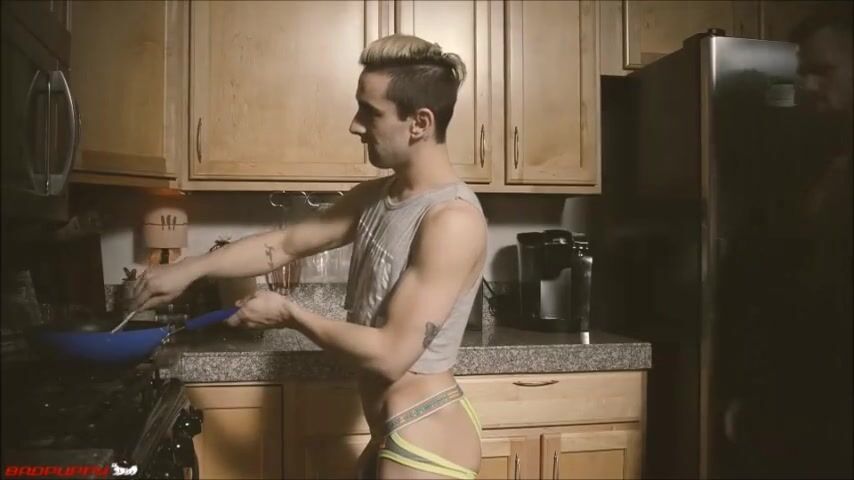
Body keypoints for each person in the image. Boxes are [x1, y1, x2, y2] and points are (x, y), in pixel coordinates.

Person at [131, 34, 487, 480]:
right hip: (393, 431)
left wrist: (290, 314)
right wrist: (190, 269)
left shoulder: (451, 220)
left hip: (427, 439)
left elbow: (392, 354)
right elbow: (284, 244)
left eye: (370, 112)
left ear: (420, 123)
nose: (355, 126)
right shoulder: (379, 196)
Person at [721, 10, 852, 479]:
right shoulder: (808, 157)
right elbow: (770, 281)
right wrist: (751, 395)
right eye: (804, 73)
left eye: (824, 71)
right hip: (795, 401)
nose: (809, 86)